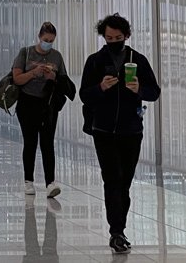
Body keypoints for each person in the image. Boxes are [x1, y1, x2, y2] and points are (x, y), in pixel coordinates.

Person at [79, 13, 161, 255]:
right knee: (112, 179)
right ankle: (116, 231)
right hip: (103, 130)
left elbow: (154, 91)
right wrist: (101, 87)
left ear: (127, 36)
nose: (113, 41)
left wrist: (139, 89)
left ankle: (119, 229)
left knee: (124, 182)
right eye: (108, 37)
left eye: (117, 37)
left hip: (131, 130)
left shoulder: (139, 60)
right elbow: (85, 94)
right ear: (103, 37)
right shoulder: (95, 61)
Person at [12, 22, 66, 198]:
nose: (48, 43)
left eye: (51, 41)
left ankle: (50, 182)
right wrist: (34, 73)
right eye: (45, 40)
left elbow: (63, 81)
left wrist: (53, 77)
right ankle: (29, 181)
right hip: (27, 103)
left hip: (48, 104)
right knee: (30, 141)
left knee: (48, 142)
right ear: (39, 37)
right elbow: (17, 79)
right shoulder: (25, 53)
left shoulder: (56, 57)